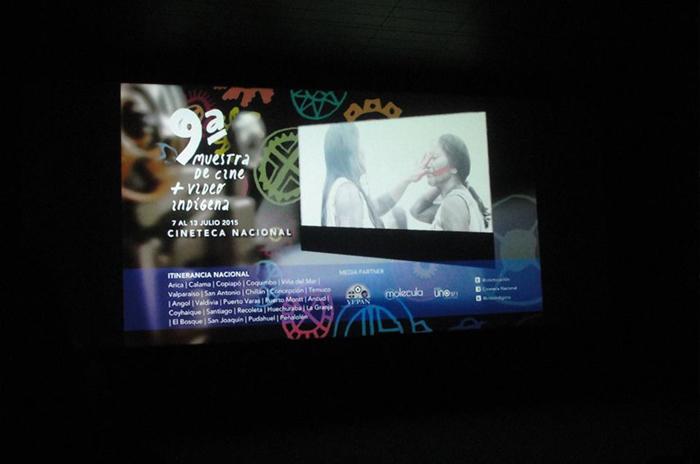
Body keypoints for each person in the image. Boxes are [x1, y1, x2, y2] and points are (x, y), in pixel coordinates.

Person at [321, 124, 424, 228]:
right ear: (350, 153)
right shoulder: (348, 192)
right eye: (359, 145)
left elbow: (379, 205)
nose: (363, 152)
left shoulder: (344, 189)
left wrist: (408, 179)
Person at [410, 134, 491, 231]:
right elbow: (417, 212)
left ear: (454, 167)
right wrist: (440, 184)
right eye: (427, 158)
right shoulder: (457, 199)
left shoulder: (453, 202)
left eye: (434, 158)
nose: (427, 164)